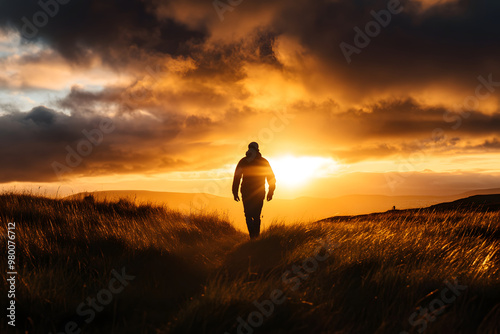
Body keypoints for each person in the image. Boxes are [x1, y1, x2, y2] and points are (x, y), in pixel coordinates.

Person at [232, 142, 276, 239]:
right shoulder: (263, 161)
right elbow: (271, 178)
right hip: (259, 192)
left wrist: (235, 192)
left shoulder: (243, 161)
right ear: (257, 149)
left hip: (246, 192)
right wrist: (270, 192)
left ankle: (252, 236)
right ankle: (256, 237)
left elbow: (237, 178)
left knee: (248, 215)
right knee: (256, 216)